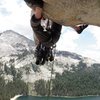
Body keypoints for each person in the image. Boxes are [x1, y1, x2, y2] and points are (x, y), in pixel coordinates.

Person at [24, 0, 88, 65]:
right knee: (35, 26)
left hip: (54, 40)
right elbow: (40, 24)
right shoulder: (37, 42)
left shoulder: (39, 44)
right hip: (46, 41)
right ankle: (38, 7)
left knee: (58, 19)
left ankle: (77, 28)